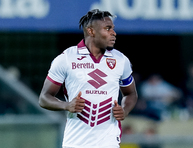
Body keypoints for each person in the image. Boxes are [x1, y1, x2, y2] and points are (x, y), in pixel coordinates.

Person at [39, 9, 138, 148]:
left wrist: (125, 110)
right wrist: (66, 105)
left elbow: (131, 93)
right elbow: (44, 98)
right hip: (75, 142)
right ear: (91, 31)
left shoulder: (121, 60)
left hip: (109, 142)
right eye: (107, 29)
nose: (114, 33)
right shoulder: (66, 58)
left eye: (113, 29)